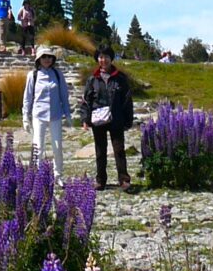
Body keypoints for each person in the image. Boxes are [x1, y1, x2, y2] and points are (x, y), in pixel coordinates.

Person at [82, 44, 137, 191]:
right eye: (100, 57)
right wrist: (85, 119)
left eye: (106, 57)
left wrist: (128, 120)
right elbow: (86, 101)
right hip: (98, 120)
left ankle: (124, 180)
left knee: (119, 150)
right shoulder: (92, 79)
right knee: (100, 151)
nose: (103, 60)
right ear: (97, 59)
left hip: (116, 119)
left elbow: (127, 100)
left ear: (111, 59)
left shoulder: (120, 78)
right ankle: (100, 180)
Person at [22, 49, 69, 172]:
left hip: (55, 115)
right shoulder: (33, 75)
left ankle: (58, 174)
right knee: (38, 146)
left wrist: (68, 114)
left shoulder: (58, 74)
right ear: (39, 59)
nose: (47, 59)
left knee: (57, 147)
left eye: (49, 56)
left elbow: (64, 95)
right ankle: (37, 174)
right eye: (44, 57)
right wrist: (25, 117)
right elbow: (27, 97)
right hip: (39, 115)